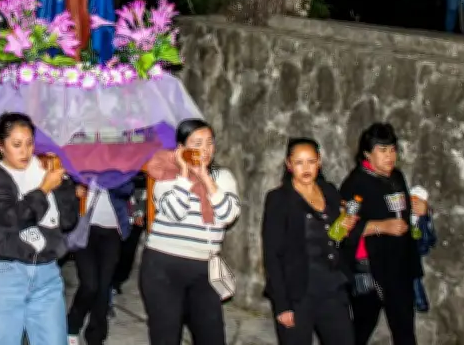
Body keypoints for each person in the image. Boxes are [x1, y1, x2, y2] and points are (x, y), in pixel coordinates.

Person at [0, 112, 79, 345]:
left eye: (30, 143)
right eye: (17, 145)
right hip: (6, 276)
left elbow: (69, 221)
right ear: (0, 145)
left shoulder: (44, 172)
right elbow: (13, 219)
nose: (25, 151)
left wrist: (62, 185)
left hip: (46, 275)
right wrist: (43, 190)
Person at [139, 118, 241, 345]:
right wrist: (185, 176)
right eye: (197, 143)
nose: (205, 149)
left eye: (209, 143)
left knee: (211, 335)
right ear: (181, 149)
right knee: (166, 335)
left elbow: (228, 215)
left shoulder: (223, 178)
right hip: (163, 266)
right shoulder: (165, 176)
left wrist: (205, 178)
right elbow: (174, 211)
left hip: (204, 268)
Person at [340, 123, 428, 345]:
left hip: (400, 269)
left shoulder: (396, 177)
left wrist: (420, 211)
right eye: (382, 150)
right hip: (370, 272)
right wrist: (381, 226)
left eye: (392, 150)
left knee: (405, 331)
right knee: (360, 329)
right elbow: (341, 229)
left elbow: (405, 213)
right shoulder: (355, 185)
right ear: (367, 153)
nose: (390, 156)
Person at [262, 138, 355, 345]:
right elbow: (272, 255)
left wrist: (346, 229)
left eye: (311, 161)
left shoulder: (329, 191)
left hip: (332, 288)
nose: (306, 168)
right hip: (298, 293)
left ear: (319, 162)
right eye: (299, 162)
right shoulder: (279, 199)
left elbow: (335, 238)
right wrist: (282, 305)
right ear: (288, 164)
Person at [67, 178, 134, 345]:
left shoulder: (120, 168)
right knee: (90, 285)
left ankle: (96, 336)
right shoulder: (83, 164)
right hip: (86, 230)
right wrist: (75, 190)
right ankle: (72, 325)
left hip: (112, 233)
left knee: (104, 286)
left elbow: (127, 189)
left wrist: (109, 179)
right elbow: (64, 185)